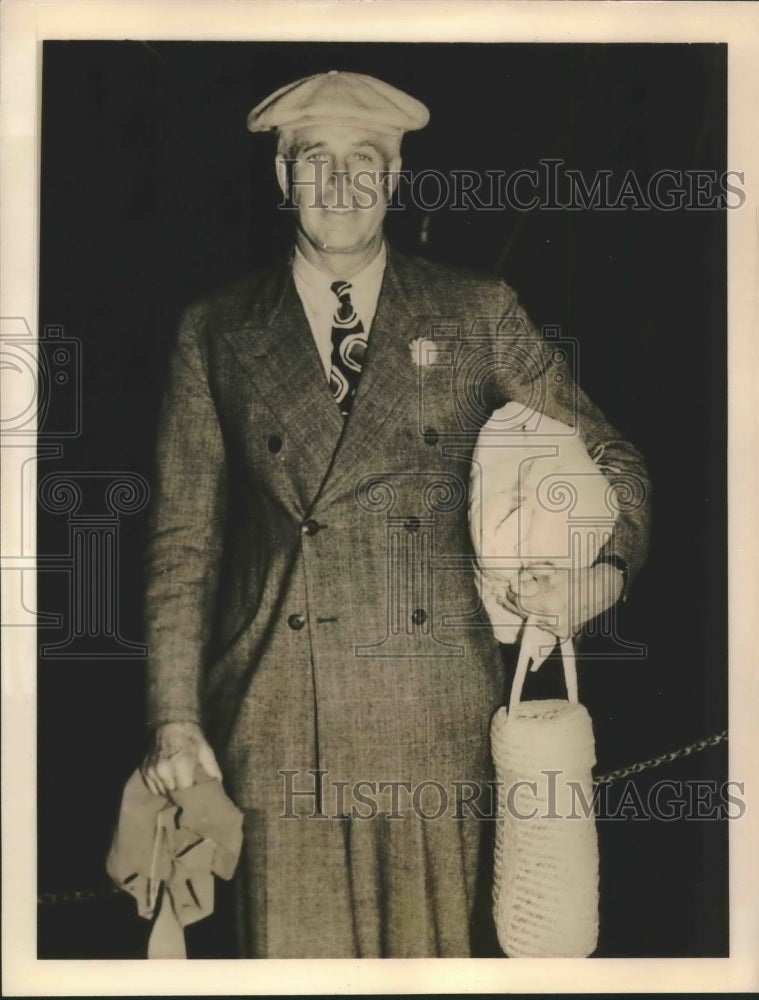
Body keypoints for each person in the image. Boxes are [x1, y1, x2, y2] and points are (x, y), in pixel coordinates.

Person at [140, 70, 650, 958]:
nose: (338, 184)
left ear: (396, 176)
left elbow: (614, 456)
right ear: (280, 177)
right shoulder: (215, 330)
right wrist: (173, 718)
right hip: (273, 723)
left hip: (435, 722)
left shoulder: (474, 311)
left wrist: (596, 578)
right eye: (314, 160)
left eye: (363, 161)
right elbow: (184, 542)